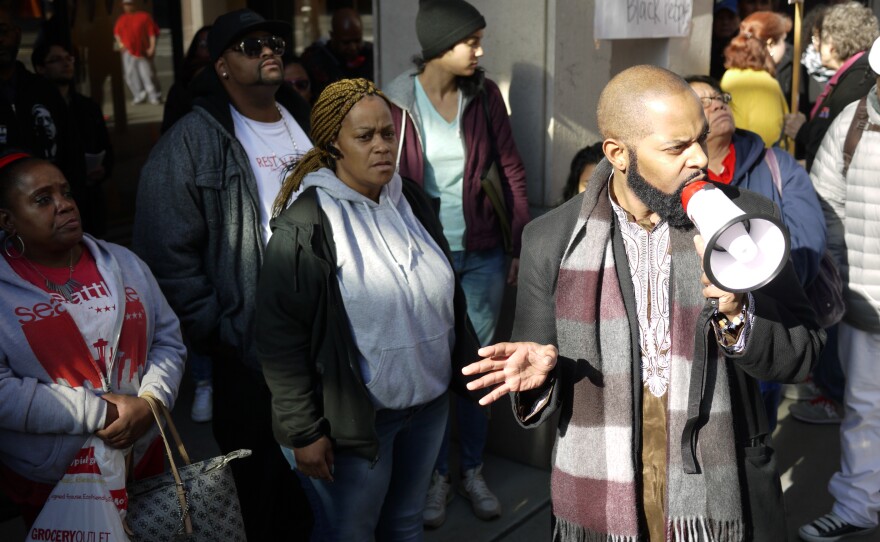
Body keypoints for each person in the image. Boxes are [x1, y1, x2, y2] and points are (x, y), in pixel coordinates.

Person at [462, 65, 823, 542]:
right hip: (601, 493)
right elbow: (536, 372)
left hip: (719, 488)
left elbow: (802, 355)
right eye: (676, 147)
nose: (699, 158)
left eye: (699, 138)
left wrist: (739, 314)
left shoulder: (749, 220)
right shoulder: (550, 239)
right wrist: (539, 377)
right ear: (618, 153)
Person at [258, 77, 481, 542]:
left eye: (388, 133)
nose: (382, 146)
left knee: (405, 524)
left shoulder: (411, 200)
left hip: (428, 405)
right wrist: (303, 431)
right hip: (359, 423)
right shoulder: (307, 224)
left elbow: (446, 297)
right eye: (365, 136)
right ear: (332, 144)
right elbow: (281, 338)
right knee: (351, 533)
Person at [132, 8, 313, 540]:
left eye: (275, 41)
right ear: (223, 67)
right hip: (251, 348)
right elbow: (164, 250)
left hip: (325, 334)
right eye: (250, 45)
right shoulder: (194, 139)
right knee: (261, 490)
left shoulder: (305, 119)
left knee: (318, 482)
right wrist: (220, 329)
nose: (269, 51)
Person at [384, 0, 531, 527]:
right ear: (440, 45)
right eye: (470, 41)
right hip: (424, 259)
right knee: (432, 369)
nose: (479, 50)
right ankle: (434, 478)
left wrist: (516, 244)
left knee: (479, 367)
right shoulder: (395, 102)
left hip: (484, 254)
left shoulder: (484, 95)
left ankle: (469, 469)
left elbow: (510, 167)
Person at [0, 152, 185, 529]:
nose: (65, 204)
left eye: (66, 192)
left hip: (142, 460)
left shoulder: (124, 263)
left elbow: (167, 339)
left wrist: (151, 402)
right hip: (58, 479)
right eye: (42, 199)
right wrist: (103, 413)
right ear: (7, 220)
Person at [686, 74, 826, 431]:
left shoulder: (775, 164)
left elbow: (808, 242)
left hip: (767, 322)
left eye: (719, 97)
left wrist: (760, 286)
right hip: (696, 346)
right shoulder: (678, 183)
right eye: (704, 101)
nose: (717, 103)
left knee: (758, 429)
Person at [797, 37, 880, 542]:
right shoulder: (850, 124)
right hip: (865, 301)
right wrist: (842, 286)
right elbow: (826, 211)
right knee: (865, 410)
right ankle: (856, 505)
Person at [32, 38, 114, 237]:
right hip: (54, 202)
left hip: (90, 198)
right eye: (56, 60)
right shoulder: (35, 109)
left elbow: (106, 148)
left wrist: (102, 169)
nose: (66, 63)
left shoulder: (87, 106)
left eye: (69, 58)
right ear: (40, 68)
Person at [783, 1, 878, 171]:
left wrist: (803, 130)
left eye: (818, 38)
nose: (815, 45)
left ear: (833, 43)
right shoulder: (854, 75)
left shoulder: (858, 82)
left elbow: (842, 137)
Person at [0, 8, 72, 178]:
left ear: (17, 34)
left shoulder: (43, 90)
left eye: (3, 31)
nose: (0, 39)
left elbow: (71, 149)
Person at [721, 10, 794, 151]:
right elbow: (768, 140)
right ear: (771, 43)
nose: (785, 47)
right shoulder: (765, 84)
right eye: (783, 41)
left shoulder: (730, 74)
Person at [300, 8, 373, 99]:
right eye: (346, 42)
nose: (353, 48)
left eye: (357, 41)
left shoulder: (371, 55)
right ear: (333, 36)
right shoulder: (316, 60)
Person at [161, 25, 212, 133]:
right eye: (203, 44)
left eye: (213, 43)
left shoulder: (231, 80)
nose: (208, 48)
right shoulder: (181, 86)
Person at [113, 0, 161, 105]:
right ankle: (139, 95)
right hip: (128, 52)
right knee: (130, 75)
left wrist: (152, 47)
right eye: (125, 4)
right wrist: (121, 45)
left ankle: (154, 95)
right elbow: (117, 34)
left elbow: (152, 33)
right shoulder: (121, 19)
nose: (127, 7)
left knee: (148, 74)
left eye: (129, 4)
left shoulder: (144, 17)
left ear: (134, 4)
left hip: (142, 51)